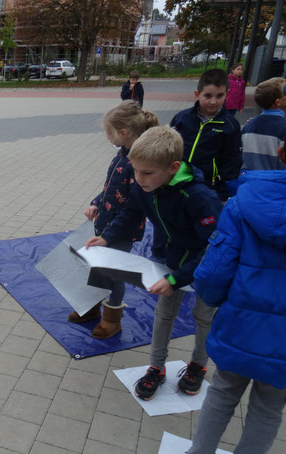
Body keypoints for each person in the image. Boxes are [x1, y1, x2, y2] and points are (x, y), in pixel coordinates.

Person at [177, 151, 286, 454]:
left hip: (241, 323)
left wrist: (210, 298)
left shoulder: (245, 203)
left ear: (282, 153)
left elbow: (215, 268)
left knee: (222, 393)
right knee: (269, 409)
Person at [85, 126, 223, 400]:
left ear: (172, 167)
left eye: (147, 173)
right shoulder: (145, 186)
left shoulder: (200, 198)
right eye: (136, 171)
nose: (139, 179)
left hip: (207, 267)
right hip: (168, 258)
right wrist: (107, 238)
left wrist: (176, 280)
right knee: (164, 315)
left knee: (204, 318)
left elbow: (213, 247)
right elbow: (131, 213)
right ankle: (156, 368)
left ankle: (198, 364)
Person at [70, 100, 158, 339]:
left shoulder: (138, 162)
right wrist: (96, 203)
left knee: (114, 274)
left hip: (121, 231)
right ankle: (91, 308)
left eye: (108, 132)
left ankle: (112, 319)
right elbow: (110, 188)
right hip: (105, 226)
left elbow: (133, 206)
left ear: (123, 132)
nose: (107, 137)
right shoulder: (121, 155)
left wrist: (108, 237)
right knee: (97, 268)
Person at [170, 68, 241, 202]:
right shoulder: (182, 118)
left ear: (227, 94)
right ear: (197, 94)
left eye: (219, 96)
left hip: (208, 187)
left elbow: (232, 161)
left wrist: (224, 193)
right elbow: (168, 148)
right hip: (177, 182)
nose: (213, 101)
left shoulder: (230, 125)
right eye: (208, 96)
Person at [240, 77, 286, 172]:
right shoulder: (283, 127)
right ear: (278, 102)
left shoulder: (248, 125)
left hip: (247, 179)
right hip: (273, 182)